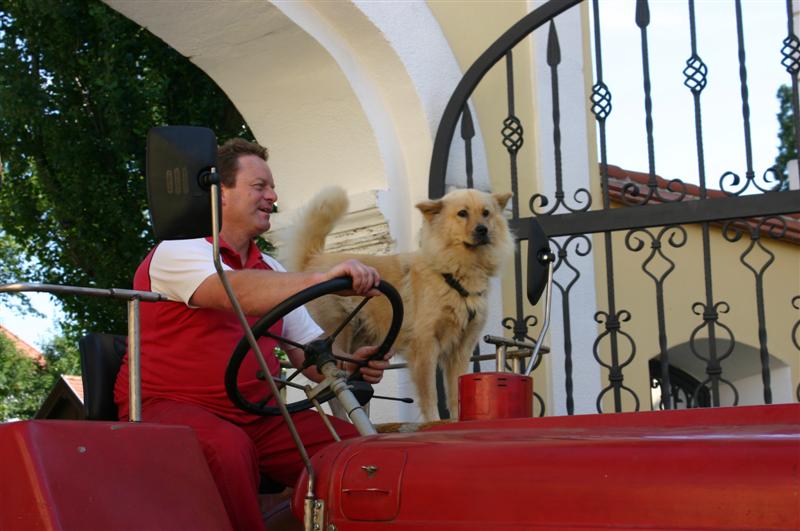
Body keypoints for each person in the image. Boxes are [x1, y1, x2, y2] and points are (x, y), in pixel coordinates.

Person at [114, 138, 391, 530]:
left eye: (272, 188)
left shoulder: (273, 270)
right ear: (219, 193)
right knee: (227, 449)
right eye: (259, 186)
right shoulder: (177, 251)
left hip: (255, 414)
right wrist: (321, 278)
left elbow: (311, 356)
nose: (272, 197)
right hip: (167, 407)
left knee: (354, 452)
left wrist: (350, 364)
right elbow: (232, 292)